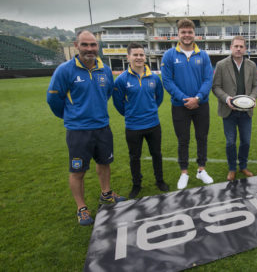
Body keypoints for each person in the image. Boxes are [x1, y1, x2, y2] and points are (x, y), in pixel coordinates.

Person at [46, 30, 126, 226]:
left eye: (93, 45)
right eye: (85, 45)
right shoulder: (65, 70)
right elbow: (54, 99)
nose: (89, 49)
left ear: (97, 46)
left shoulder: (105, 70)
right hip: (78, 131)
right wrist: (71, 116)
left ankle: (106, 194)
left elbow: (106, 93)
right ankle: (81, 208)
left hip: (102, 127)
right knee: (77, 171)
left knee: (104, 163)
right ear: (76, 45)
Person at [161, 19, 214, 189]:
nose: (187, 35)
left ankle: (201, 170)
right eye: (183, 32)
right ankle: (184, 172)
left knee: (202, 138)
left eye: (189, 31)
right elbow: (167, 81)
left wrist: (197, 98)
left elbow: (208, 80)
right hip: (179, 106)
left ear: (194, 34)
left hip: (201, 105)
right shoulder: (169, 55)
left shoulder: (203, 55)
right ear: (178, 34)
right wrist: (185, 99)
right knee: (183, 140)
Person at [113, 42, 169, 199]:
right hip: (132, 126)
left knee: (156, 154)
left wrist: (150, 110)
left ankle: (160, 180)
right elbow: (118, 103)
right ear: (128, 57)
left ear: (145, 56)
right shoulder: (121, 80)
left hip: (153, 124)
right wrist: (131, 114)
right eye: (135, 55)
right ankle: (137, 184)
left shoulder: (154, 78)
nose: (139, 57)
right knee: (134, 157)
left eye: (141, 55)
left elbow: (159, 98)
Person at [212, 36, 257, 181]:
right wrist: (227, 99)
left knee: (245, 141)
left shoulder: (252, 65)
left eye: (241, 46)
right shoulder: (221, 65)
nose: (238, 49)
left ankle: (243, 166)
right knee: (230, 142)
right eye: (236, 46)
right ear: (231, 47)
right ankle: (232, 168)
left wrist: (252, 98)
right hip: (229, 111)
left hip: (246, 112)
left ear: (245, 49)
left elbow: (256, 86)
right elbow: (216, 87)